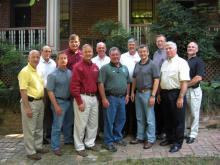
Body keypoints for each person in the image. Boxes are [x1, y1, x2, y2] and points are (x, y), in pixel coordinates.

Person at [158, 41, 190, 153]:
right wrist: (159, 94)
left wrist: (181, 97)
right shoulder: (164, 63)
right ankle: (170, 138)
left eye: (170, 48)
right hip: (165, 94)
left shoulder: (182, 62)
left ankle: (177, 143)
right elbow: (161, 80)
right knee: (167, 119)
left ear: (175, 49)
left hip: (176, 94)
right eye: (166, 49)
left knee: (178, 120)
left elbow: (185, 82)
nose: (167, 50)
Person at [18, 50, 49, 160]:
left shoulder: (38, 70)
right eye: (33, 57)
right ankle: (30, 152)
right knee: (30, 129)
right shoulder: (25, 72)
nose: (35, 59)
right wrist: (27, 108)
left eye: (37, 57)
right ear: (28, 58)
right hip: (30, 103)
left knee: (39, 127)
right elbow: (23, 91)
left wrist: (43, 101)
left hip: (40, 102)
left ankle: (38, 146)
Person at [98, 47, 130, 152]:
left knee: (121, 119)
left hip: (122, 98)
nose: (115, 56)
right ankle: (108, 142)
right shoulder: (105, 68)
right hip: (110, 98)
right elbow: (100, 83)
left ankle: (117, 137)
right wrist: (103, 98)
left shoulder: (124, 68)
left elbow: (128, 82)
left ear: (120, 55)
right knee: (109, 120)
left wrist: (127, 94)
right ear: (110, 56)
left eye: (117, 54)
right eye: (113, 55)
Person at [70, 44, 99, 157]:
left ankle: (90, 143)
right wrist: (79, 101)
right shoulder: (78, 67)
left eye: (90, 52)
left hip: (93, 97)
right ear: (82, 53)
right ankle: (79, 146)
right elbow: (74, 86)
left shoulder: (95, 67)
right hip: (82, 97)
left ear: (92, 53)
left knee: (93, 123)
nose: (88, 54)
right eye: (86, 52)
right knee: (80, 124)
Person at [130, 45, 160, 149]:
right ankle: (140, 136)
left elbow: (156, 80)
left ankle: (151, 139)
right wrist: (132, 92)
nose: (142, 53)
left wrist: (153, 95)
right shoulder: (137, 64)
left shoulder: (153, 65)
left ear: (148, 52)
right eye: (140, 52)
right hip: (138, 93)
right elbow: (134, 78)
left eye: (144, 51)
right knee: (139, 117)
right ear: (138, 53)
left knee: (149, 118)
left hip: (148, 93)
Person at [47, 51, 73, 156]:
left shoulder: (70, 72)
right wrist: (56, 105)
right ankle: (55, 146)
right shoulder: (52, 75)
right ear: (57, 61)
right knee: (57, 126)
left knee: (68, 123)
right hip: (59, 102)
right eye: (61, 58)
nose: (63, 60)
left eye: (65, 58)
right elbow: (50, 91)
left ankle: (67, 140)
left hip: (69, 101)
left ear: (67, 60)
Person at [185, 42, 205, 144]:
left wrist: (185, 86)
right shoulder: (184, 61)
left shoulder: (199, 61)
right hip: (184, 92)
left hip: (194, 91)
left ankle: (192, 134)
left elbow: (198, 77)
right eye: (189, 46)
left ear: (196, 50)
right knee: (185, 113)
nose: (190, 48)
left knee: (194, 114)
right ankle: (184, 133)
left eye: (193, 47)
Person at [120, 38, 140, 136]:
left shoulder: (140, 55)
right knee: (125, 109)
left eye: (133, 44)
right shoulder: (122, 56)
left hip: (137, 86)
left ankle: (135, 131)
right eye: (130, 45)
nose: (131, 46)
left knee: (136, 110)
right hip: (125, 85)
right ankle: (125, 130)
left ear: (136, 45)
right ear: (127, 46)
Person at [37, 45, 56, 144]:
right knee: (42, 113)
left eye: (49, 51)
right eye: (45, 51)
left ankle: (49, 133)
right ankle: (42, 136)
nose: (47, 53)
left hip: (52, 91)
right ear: (41, 52)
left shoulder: (53, 63)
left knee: (51, 112)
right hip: (42, 91)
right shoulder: (37, 62)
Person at [92, 42, 110, 135]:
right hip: (95, 90)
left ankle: (105, 131)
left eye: (103, 48)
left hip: (107, 90)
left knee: (107, 112)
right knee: (96, 113)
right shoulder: (93, 60)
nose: (101, 49)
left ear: (106, 49)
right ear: (96, 49)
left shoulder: (110, 60)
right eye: (99, 48)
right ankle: (97, 132)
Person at [152, 34, 167, 140]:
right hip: (156, 84)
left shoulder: (168, 53)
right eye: (158, 41)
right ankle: (159, 130)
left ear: (165, 42)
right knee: (157, 108)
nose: (160, 43)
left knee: (165, 109)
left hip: (165, 85)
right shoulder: (155, 54)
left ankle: (165, 131)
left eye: (161, 41)